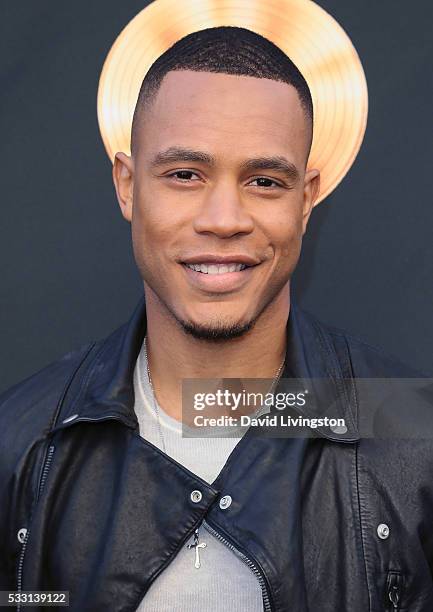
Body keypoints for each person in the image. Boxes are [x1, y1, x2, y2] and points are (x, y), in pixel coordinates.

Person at [0, 26, 432, 612]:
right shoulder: (21, 440)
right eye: (185, 175)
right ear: (128, 187)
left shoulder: (415, 439)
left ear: (305, 201)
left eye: (264, 181)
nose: (224, 219)